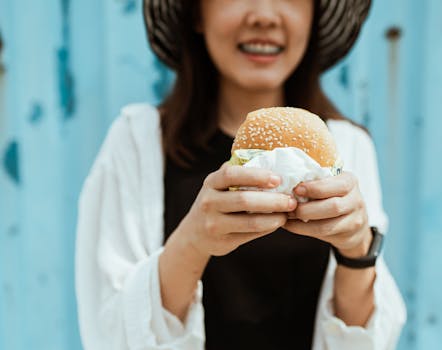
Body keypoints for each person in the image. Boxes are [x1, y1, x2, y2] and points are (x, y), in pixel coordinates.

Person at [75, 0, 406, 349]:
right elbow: (111, 330)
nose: (264, 15)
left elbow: (365, 341)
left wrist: (357, 250)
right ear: (197, 14)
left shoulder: (347, 147)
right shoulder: (137, 143)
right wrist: (193, 241)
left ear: (314, 16)